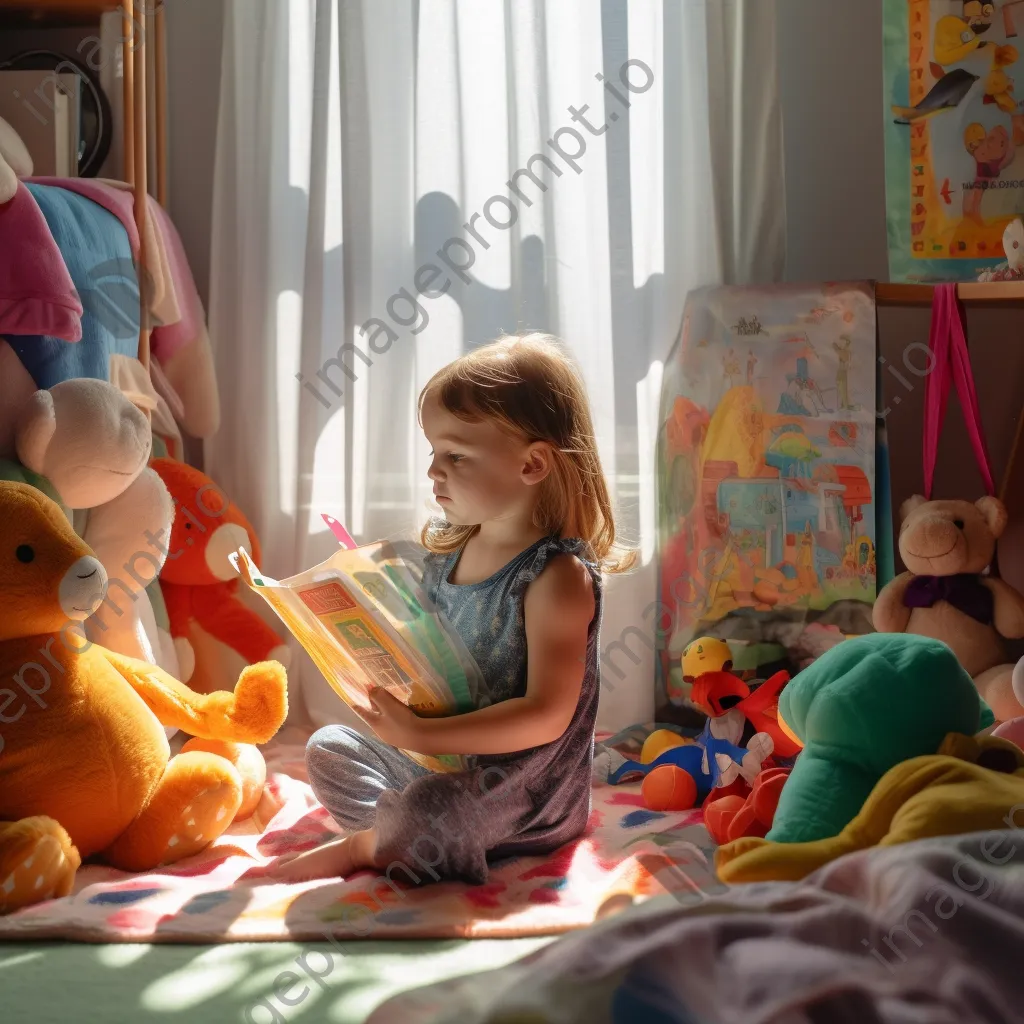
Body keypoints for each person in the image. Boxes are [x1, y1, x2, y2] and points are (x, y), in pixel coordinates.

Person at [271, 334, 632, 884]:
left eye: (457, 455)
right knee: (328, 747)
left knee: (433, 815)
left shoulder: (556, 576)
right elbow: (431, 654)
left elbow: (545, 716)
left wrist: (420, 737)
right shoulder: (449, 549)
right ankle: (397, 833)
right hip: (441, 763)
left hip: (520, 793)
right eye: (435, 453)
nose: (434, 471)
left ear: (533, 464)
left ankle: (370, 846)